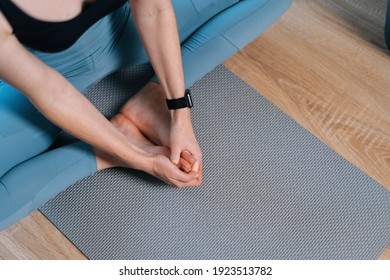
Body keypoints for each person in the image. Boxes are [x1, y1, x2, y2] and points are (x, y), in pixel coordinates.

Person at [0, 0, 293, 231]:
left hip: (123, 30)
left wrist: (177, 110)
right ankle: (105, 153)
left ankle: (151, 101)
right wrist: (135, 156)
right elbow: (50, 92)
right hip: (31, 85)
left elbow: (152, 7)